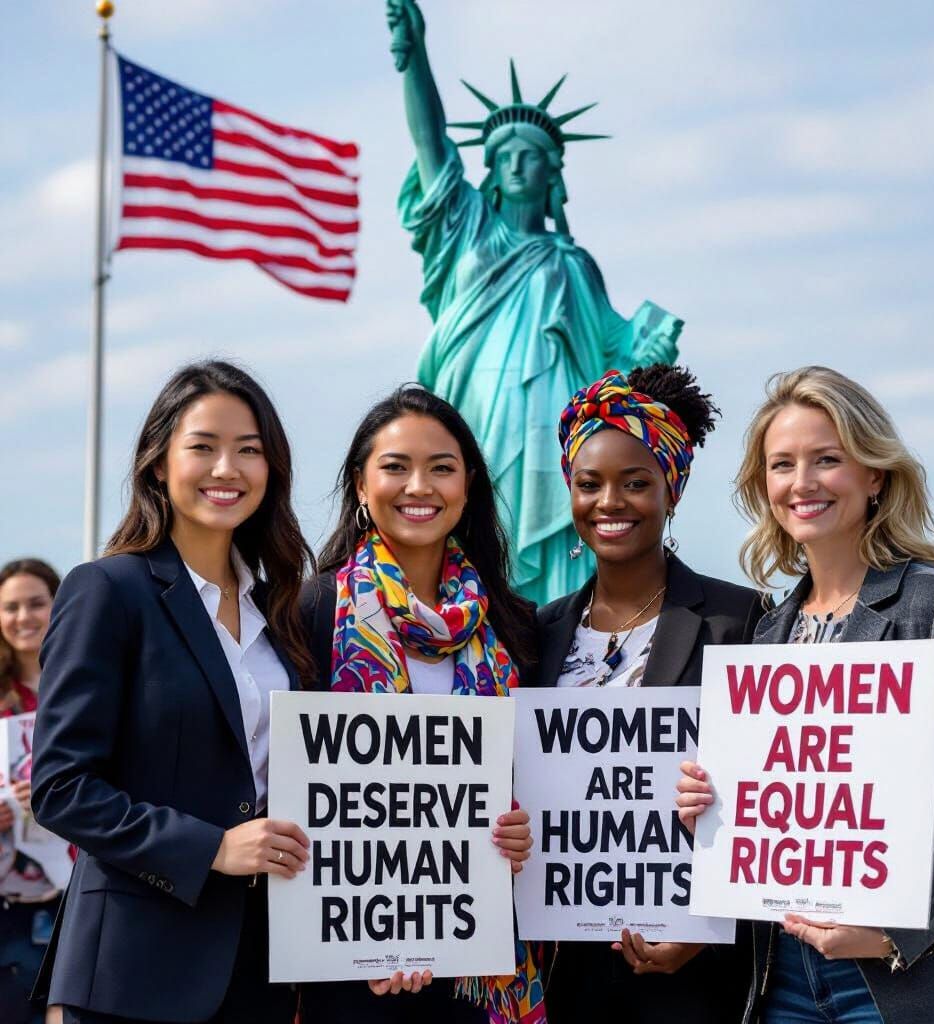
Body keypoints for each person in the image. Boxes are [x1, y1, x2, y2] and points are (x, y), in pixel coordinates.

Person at [677, 365, 934, 1023]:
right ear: (765, 487)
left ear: (875, 475)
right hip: (786, 982)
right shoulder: (768, 634)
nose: (802, 482)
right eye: (782, 465)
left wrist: (893, 931)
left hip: (908, 978)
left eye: (826, 460)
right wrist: (713, 807)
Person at [30, 361, 315, 1024]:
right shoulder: (109, 591)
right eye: (204, 447)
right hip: (133, 972)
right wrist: (212, 848)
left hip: (261, 970)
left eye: (249, 450)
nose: (228, 469)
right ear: (159, 464)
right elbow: (62, 787)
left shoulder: (285, 611)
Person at [384, 0, 681, 605]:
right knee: (470, 520)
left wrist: (648, 351)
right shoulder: (465, 228)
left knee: (557, 546)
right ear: (489, 168)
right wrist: (415, 59)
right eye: (507, 156)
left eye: (533, 157)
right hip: (475, 408)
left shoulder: (573, 264)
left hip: (554, 425)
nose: (519, 165)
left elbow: (611, 360)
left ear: (553, 174)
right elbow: (431, 144)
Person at [298, 384, 541, 1024]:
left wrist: (525, 826)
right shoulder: (311, 612)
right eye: (395, 467)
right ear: (359, 484)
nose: (419, 486)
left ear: (468, 485)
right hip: (350, 972)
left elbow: (540, 779)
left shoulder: (516, 625)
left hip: (483, 966)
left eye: (441, 467)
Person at [532, 365, 761, 1023]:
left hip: (693, 978)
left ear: (673, 490)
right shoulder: (538, 632)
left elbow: (777, 792)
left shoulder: (737, 620)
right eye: (590, 484)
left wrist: (709, 925)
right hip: (561, 976)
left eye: (636, 483)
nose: (611, 502)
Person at [0, 558, 63, 1024]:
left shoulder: (89, 684)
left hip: (79, 897)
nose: (24, 617)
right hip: (10, 908)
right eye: (10, 607)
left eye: (36, 604)